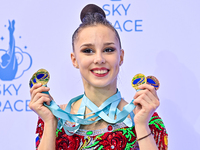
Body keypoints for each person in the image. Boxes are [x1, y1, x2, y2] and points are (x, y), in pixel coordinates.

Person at [29, 4, 168, 150]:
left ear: (121, 57)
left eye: (108, 50)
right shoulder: (56, 119)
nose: (99, 59)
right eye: (88, 50)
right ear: (74, 59)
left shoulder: (146, 119)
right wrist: (50, 123)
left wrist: (141, 125)